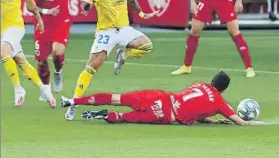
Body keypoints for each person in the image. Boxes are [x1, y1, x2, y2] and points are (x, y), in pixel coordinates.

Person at [65, 0, 159, 121]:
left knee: (147, 46)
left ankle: (122, 55)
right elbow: (88, 5)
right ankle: (74, 103)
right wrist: (86, 3)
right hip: (106, 32)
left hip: (124, 29)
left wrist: (142, 14)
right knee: (92, 66)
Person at [60, 71, 265, 126]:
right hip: (166, 114)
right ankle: (107, 116)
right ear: (224, 90)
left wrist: (211, 119)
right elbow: (240, 122)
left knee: (117, 97)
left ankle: (73, 101)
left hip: (160, 96)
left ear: (211, 81)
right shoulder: (220, 102)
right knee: (123, 117)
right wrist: (256, 122)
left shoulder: (198, 85)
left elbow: (195, 106)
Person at [1, 0, 55, 107]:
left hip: (16, 26)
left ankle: (18, 90)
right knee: (21, 61)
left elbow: (30, 4)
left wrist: (39, 19)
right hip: (3, 30)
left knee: (4, 51)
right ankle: (45, 91)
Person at [29, 0, 78, 95]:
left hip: (61, 21)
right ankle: (46, 89)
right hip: (42, 24)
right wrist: (45, 11)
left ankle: (58, 72)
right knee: (42, 61)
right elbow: (31, 6)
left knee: (57, 51)